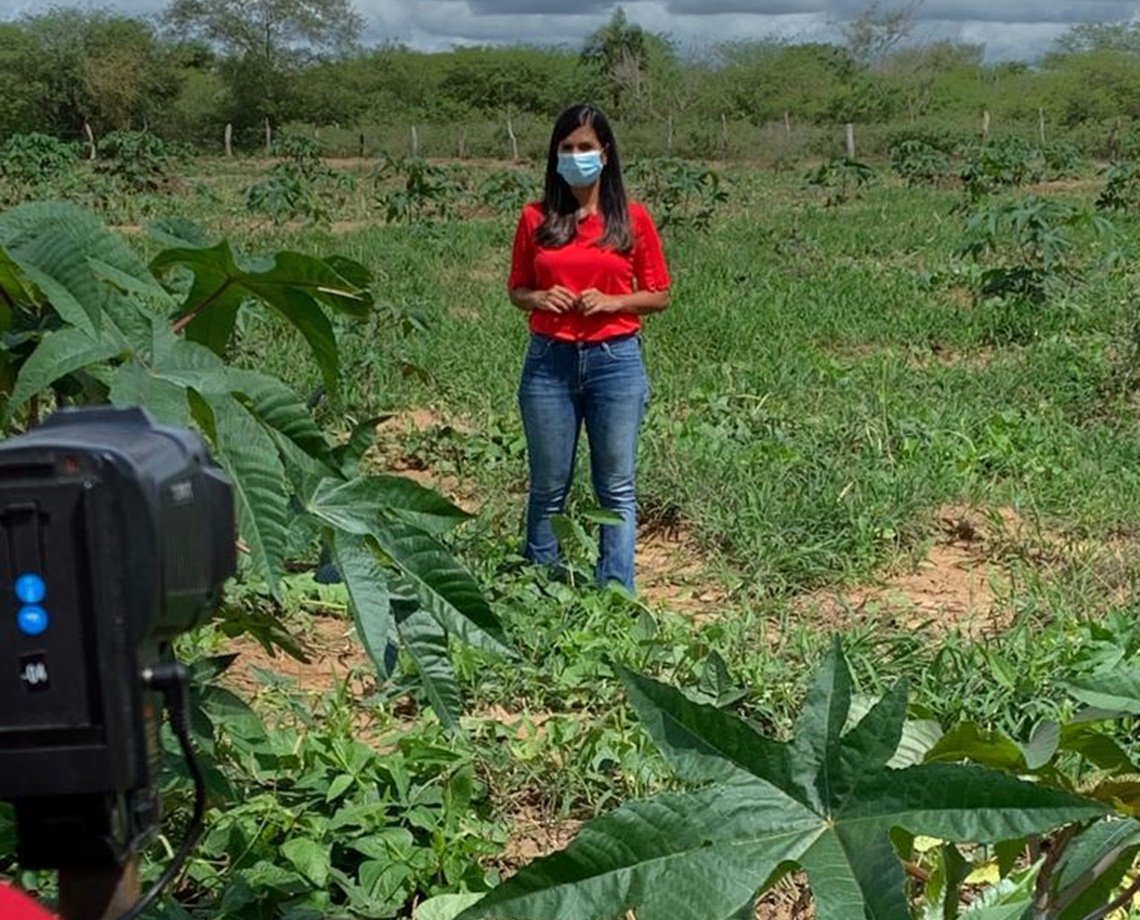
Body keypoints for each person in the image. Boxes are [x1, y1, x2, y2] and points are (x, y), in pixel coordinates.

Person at [507, 102, 670, 593]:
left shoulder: (632, 220)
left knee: (616, 486)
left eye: (585, 148)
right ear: (555, 155)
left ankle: (616, 589)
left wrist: (612, 301)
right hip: (548, 362)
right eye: (567, 148)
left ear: (605, 155)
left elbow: (659, 294)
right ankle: (541, 584)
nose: (576, 156)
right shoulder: (536, 217)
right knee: (548, 485)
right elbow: (517, 288)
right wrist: (539, 296)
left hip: (615, 361)